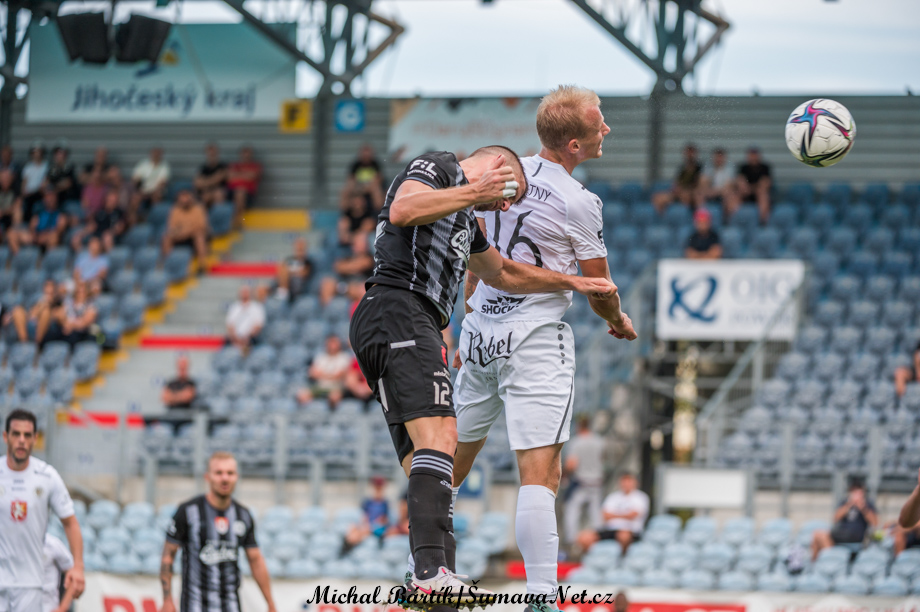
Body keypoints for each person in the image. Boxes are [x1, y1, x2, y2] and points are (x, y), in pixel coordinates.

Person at [349, 140, 615, 605]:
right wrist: (476, 193)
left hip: (406, 322)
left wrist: (574, 281)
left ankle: (429, 580)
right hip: (398, 309)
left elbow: (503, 274)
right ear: (496, 167)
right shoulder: (439, 166)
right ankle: (430, 575)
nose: (505, 207)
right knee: (443, 437)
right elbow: (404, 210)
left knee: (428, 463)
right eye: (509, 194)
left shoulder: (466, 219)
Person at [451, 85, 636, 610]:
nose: (607, 129)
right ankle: (540, 598)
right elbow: (599, 288)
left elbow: (476, 253)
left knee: (450, 463)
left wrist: (470, 316)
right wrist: (618, 320)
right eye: (599, 125)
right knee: (541, 472)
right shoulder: (580, 202)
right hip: (533, 340)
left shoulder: (502, 174)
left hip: (480, 334)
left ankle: (427, 568)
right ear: (574, 144)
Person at [159, 451, 276, 612]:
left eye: (230, 473)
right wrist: (167, 599)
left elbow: (255, 560)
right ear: (207, 477)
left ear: (237, 477)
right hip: (195, 605)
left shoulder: (243, 515)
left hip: (231, 605)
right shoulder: (188, 511)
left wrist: (270, 602)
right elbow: (168, 554)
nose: (225, 478)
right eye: (219, 473)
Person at [0, 409, 85, 612]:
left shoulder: (47, 477)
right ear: (6, 437)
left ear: (35, 438)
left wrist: (78, 567)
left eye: (27, 435)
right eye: (16, 434)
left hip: (30, 584)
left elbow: (70, 523)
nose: (21, 440)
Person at [578, 472, 649, 554]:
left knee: (623, 536)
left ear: (635, 482)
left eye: (629, 481)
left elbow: (634, 515)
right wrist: (625, 515)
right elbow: (605, 515)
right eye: (624, 481)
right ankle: (592, 559)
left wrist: (614, 515)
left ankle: (622, 558)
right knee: (584, 537)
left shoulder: (641, 497)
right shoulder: (612, 497)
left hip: (631, 531)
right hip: (610, 530)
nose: (626, 484)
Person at [563, 416, 606, 547]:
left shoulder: (576, 442)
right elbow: (602, 459)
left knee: (572, 511)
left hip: (581, 482)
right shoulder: (599, 441)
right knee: (596, 514)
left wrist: (565, 474)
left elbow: (572, 464)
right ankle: (598, 541)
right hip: (596, 482)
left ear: (579, 426)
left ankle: (572, 542)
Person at [811, 479, 878, 560]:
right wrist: (849, 505)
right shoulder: (845, 502)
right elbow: (836, 518)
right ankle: (822, 562)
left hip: (856, 537)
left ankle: (832, 559)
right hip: (840, 535)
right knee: (818, 535)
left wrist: (862, 507)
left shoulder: (868, 504)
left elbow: (875, 522)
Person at [319, 232, 375, 305]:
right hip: (344, 284)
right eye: (354, 242)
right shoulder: (348, 254)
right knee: (327, 282)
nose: (354, 245)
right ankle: (328, 309)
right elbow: (338, 267)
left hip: (358, 285)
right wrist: (349, 267)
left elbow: (360, 265)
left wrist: (348, 266)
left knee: (360, 288)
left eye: (358, 242)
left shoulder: (370, 258)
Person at [162, 189, 209, 273]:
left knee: (199, 235)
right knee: (166, 237)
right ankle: (168, 263)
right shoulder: (175, 211)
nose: (185, 202)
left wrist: (186, 231)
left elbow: (201, 226)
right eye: (182, 201)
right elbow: (172, 228)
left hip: (193, 236)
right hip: (180, 235)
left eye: (187, 200)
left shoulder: (198, 209)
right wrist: (180, 233)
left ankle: (201, 265)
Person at [652, 143, 703, 212]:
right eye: (687, 153)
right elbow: (677, 182)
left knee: (685, 195)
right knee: (657, 197)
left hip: (690, 193)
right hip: (678, 193)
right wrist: (675, 188)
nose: (689, 155)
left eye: (691, 153)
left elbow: (699, 185)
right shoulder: (682, 168)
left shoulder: (699, 168)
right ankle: (662, 216)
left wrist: (684, 189)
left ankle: (686, 214)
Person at [47, 281, 97, 347]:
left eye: (82, 292)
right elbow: (59, 314)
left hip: (80, 333)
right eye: (78, 291)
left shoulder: (90, 305)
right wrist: (65, 323)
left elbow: (85, 322)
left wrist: (70, 325)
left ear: (87, 293)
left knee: (73, 336)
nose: (80, 294)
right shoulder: (68, 301)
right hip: (65, 328)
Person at [346, 476, 391, 549]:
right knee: (352, 526)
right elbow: (364, 516)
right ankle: (350, 542)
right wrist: (364, 524)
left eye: (379, 488)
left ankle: (350, 545)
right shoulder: (367, 502)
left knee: (364, 530)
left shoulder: (384, 503)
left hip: (377, 527)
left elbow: (385, 520)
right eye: (376, 488)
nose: (378, 490)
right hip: (367, 525)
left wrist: (374, 524)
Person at [307, 334, 351, 406]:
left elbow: (339, 375)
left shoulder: (344, 357)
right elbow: (312, 373)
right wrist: (331, 375)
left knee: (334, 397)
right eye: (330, 342)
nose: (332, 345)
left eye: (334, 342)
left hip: (336, 387)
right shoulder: (320, 356)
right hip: (320, 386)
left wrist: (321, 374)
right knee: (302, 395)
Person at [10, 279, 57, 345]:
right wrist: (41, 306)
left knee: (46, 312)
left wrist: (48, 305)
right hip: (31, 323)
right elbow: (32, 314)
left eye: (51, 287)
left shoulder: (58, 302)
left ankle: (36, 345)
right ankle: (24, 344)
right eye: (47, 286)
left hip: (47, 331)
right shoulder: (37, 300)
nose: (49, 290)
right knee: (17, 311)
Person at [341, 143, 385, 211]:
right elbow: (350, 179)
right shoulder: (355, 165)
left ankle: (378, 211)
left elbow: (379, 179)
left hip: (371, 187)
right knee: (345, 190)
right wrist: (360, 187)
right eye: (364, 155)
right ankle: (345, 211)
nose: (366, 157)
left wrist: (368, 187)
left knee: (376, 190)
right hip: (358, 187)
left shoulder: (375, 164)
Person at [226, 145, 262, 224]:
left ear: (251, 155)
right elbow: (229, 178)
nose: (246, 156)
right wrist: (245, 175)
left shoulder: (255, 166)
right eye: (244, 154)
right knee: (219, 194)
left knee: (240, 192)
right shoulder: (235, 165)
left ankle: (237, 220)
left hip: (248, 195)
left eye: (248, 154)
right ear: (241, 155)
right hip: (232, 192)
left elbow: (252, 176)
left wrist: (237, 175)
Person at [736, 146, 772, 223]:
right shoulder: (743, 167)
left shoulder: (765, 167)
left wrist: (752, 187)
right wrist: (751, 187)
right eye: (751, 155)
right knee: (734, 195)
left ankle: (762, 222)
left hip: (759, 193)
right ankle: (736, 220)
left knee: (763, 194)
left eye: (755, 155)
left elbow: (765, 183)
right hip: (746, 193)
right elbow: (740, 182)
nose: (753, 157)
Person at [42, 533, 76, 612]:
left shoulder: (52, 544)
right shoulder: (17, 545)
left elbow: (73, 574)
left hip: (49, 608)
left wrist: (62, 608)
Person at [274, 237, 314, 302]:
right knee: (282, 268)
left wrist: (290, 272)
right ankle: (283, 292)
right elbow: (282, 270)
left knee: (287, 273)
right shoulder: (289, 260)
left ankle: (283, 293)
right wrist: (292, 272)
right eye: (298, 246)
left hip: (301, 286)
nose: (299, 248)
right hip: (288, 284)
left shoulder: (308, 262)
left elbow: (304, 273)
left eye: (301, 247)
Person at [225, 285, 265, 350]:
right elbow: (230, 325)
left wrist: (247, 338)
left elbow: (258, 326)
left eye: (246, 292)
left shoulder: (256, 307)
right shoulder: (234, 307)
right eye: (243, 292)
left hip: (251, 340)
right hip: (235, 340)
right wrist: (236, 338)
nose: (244, 294)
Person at [21, 145, 48, 214]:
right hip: (28, 195)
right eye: (35, 152)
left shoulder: (46, 166)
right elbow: (24, 183)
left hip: (39, 194)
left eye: (38, 151)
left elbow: (45, 183)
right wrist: (24, 192)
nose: (37, 154)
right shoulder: (27, 167)